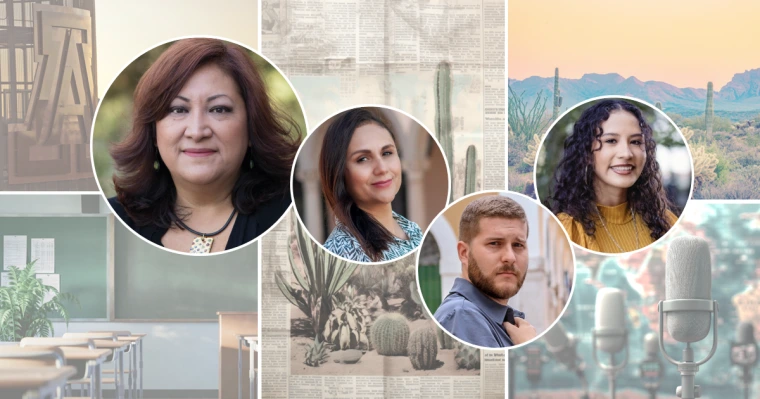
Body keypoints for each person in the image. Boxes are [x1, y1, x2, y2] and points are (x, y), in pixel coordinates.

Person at [109, 38, 301, 253]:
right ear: (153, 131)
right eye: (178, 109)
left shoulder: (294, 216)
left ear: (251, 126)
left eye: (219, 109)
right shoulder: (112, 220)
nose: (197, 131)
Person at [548, 99, 678, 253]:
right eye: (611, 140)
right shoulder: (568, 230)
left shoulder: (667, 222)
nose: (626, 153)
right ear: (587, 153)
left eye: (636, 142)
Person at [319, 108, 423, 262]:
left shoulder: (412, 230)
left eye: (387, 153)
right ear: (340, 172)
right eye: (363, 159)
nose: (382, 169)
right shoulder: (343, 251)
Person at [434, 195, 537, 348]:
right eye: (495, 243)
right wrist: (528, 347)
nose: (510, 257)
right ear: (464, 253)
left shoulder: (502, 320)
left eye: (518, 245)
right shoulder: (462, 315)